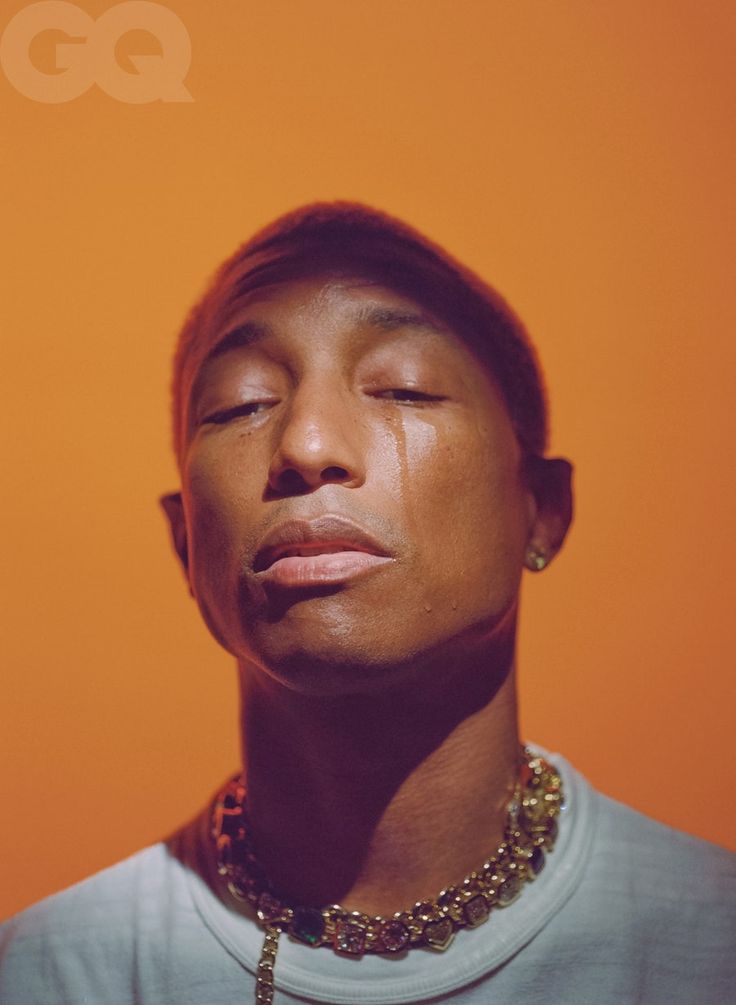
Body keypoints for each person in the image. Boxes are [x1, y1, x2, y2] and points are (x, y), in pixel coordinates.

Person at [0, 203, 733, 1005]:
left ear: (541, 510)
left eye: (404, 388)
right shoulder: (53, 975)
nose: (307, 446)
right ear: (187, 543)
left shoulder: (707, 947)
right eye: (241, 405)